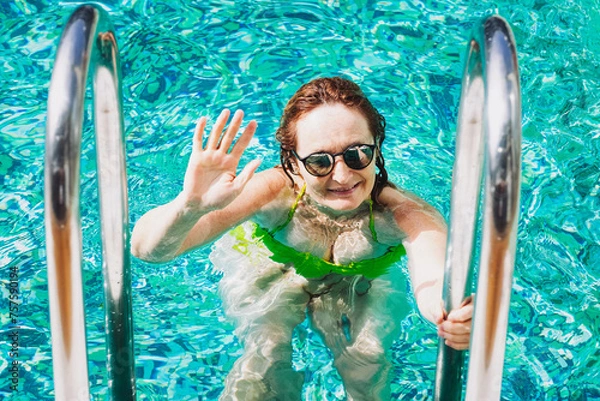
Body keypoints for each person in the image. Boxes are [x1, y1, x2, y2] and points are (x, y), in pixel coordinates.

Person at [131, 77, 473, 401]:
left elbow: (433, 275)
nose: (342, 175)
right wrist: (188, 207)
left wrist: (446, 314)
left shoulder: (400, 214)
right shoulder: (272, 194)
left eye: (357, 154)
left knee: (369, 363)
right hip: (273, 272)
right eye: (319, 162)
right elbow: (148, 251)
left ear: (377, 147)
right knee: (265, 359)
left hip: (361, 281)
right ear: (293, 162)